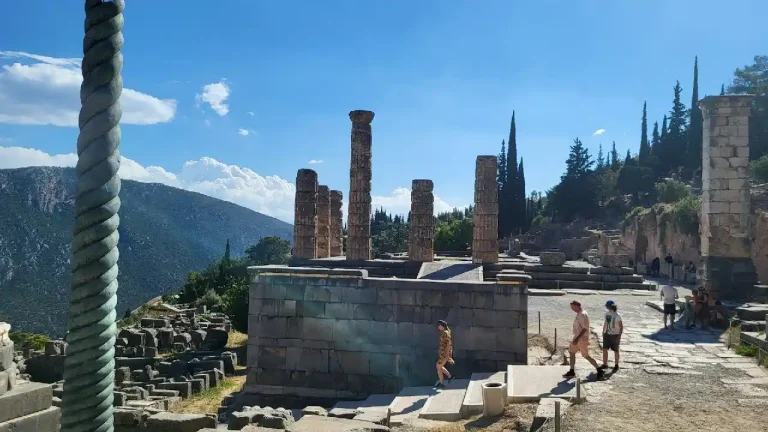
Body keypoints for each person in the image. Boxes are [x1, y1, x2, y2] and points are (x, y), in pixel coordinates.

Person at [563, 300, 605, 380]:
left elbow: (584, 329)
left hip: (581, 339)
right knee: (571, 352)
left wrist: (577, 339)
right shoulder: (579, 313)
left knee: (585, 356)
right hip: (577, 337)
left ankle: (599, 370)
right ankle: (572, 371)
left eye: (572, 307)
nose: (572, 309)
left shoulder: (582, 314)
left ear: (577, 306)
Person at [599, 300, 623, 372]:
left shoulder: (618, 316)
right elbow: (605, 322)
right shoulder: (607, 314)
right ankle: (605, 364)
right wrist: (603, 331)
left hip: (615, 335)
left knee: (616, 350)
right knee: (605, 349)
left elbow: (621, 327)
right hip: (607, 334)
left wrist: (619, 337)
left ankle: (616, 365)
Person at [434, 320, 455, 388]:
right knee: (438, 366)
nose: (438, 327)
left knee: (438, 366)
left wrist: (447, 355)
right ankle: (448, 377)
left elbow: (448, 344)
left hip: (444, 354)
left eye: (439, 326)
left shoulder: (445, 333)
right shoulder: (446, 331)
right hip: (443, 353)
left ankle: (442, 382)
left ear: (441, 326)